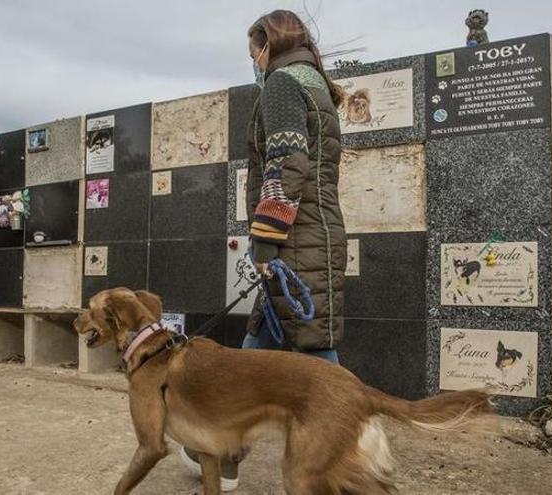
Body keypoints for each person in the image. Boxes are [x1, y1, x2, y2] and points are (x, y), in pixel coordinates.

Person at [180, 9, 347, 491]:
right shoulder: (315, 85)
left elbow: (286, 166)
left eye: (253, 51)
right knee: (263, 345)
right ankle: (222, 451)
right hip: (317, 234)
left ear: (267, 44)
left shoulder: (281, 85)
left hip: (295, 240)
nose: (252, 61)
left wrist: (266, 240)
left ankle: (356, 453)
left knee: (317, 359)